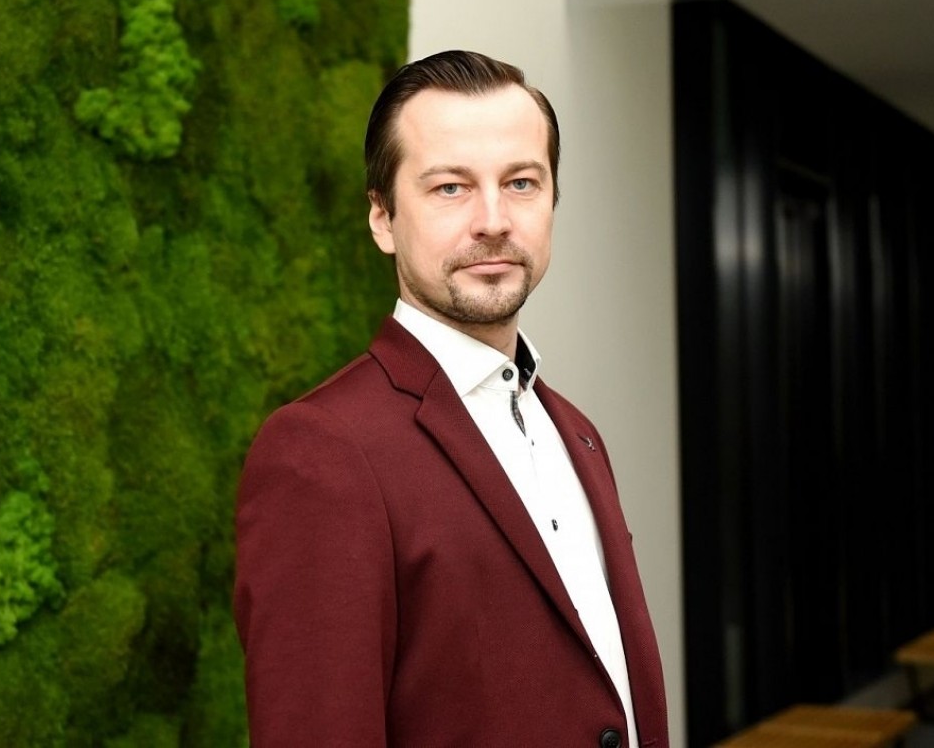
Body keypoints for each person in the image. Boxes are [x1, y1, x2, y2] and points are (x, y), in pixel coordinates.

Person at [233, 50, 668, 748]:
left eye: (521, 182)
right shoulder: (322, 452)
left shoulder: (578, 433)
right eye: (450, 188)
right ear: (382, 218)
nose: (493, 220)